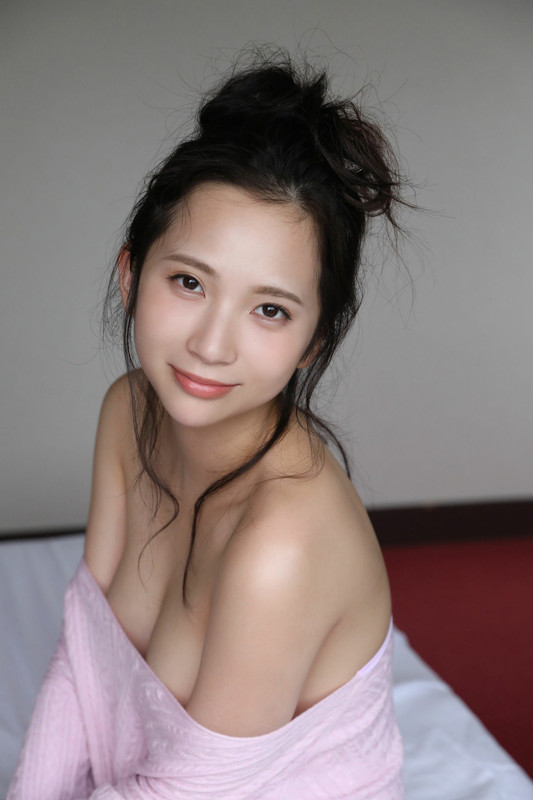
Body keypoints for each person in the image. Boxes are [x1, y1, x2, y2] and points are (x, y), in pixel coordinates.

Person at [8, 49, 409, 799]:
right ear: (131, 275)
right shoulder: (128, 411)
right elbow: (83, 667)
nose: (212, 345)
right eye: (190, 282)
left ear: (312, 343)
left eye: (270, 309)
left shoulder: (279, 542)